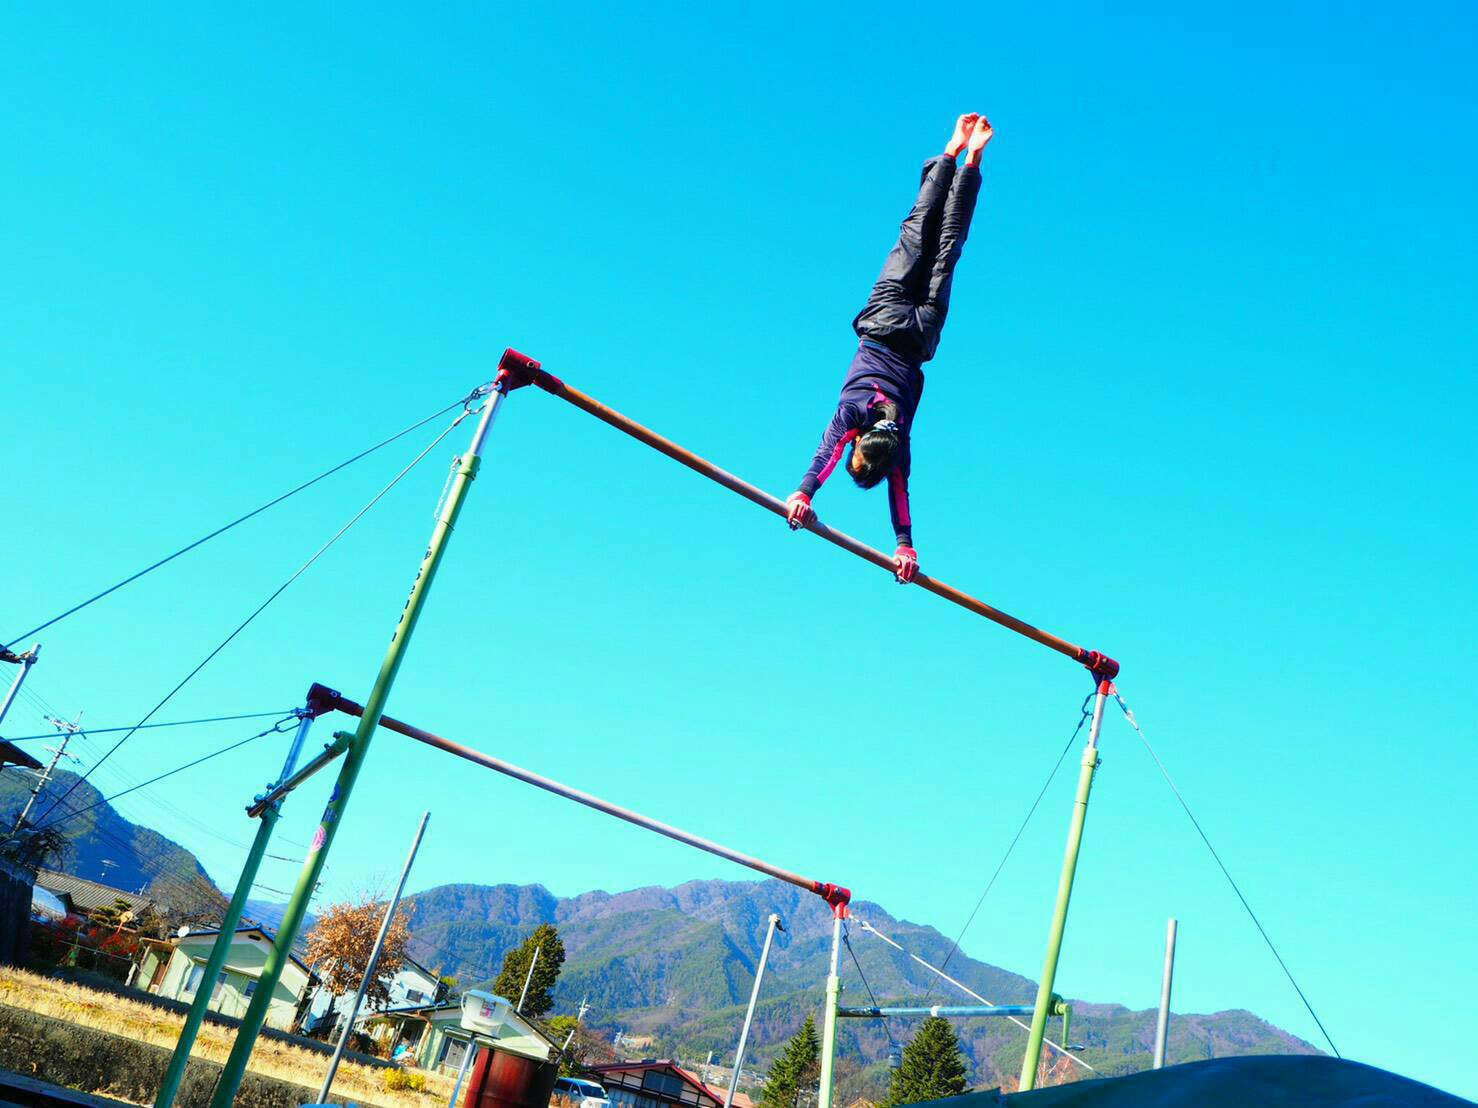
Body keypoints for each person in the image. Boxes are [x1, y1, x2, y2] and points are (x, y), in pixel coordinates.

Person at [785, 113, 992, 583]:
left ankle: (969, 160)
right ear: (860, 444)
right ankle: (955, 152)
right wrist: (803, 494)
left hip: (917, 334)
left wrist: (906, 546)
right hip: (888, 323)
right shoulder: (852, 419)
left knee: (945, 245)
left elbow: (897, 492)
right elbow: (826, 456)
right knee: (921, 233)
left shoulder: (893, 445)